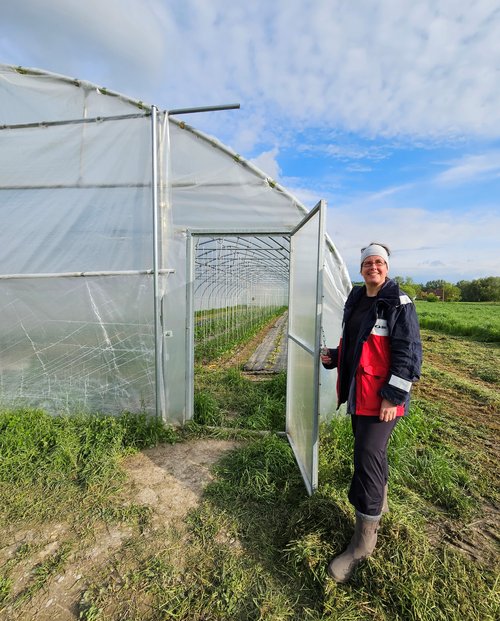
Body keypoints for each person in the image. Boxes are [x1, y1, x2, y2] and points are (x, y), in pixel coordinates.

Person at [321, 242, 422, 583]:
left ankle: (363, 543)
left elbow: (409, 354)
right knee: (371, 455)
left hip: (381, 398)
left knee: (367, 456)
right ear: (361, 268)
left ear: (387, 268)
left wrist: (393, 397)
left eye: (379, 263)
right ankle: (379, 505)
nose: (373, 267)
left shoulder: (398, 302)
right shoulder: (356, 298)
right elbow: (356, 343)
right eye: (368, 263)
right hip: (358, 393)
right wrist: (335, 356)